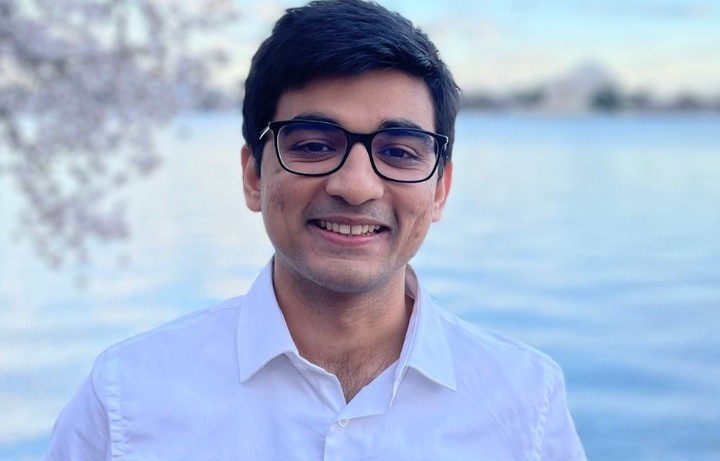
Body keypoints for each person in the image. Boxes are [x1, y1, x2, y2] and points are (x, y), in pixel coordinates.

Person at [43, 0, 587, 459]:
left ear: (440, 190)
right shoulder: (127, 399)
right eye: (313, 145)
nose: (356, 186)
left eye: (399, 152)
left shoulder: (525, 403)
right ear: (253, 176)